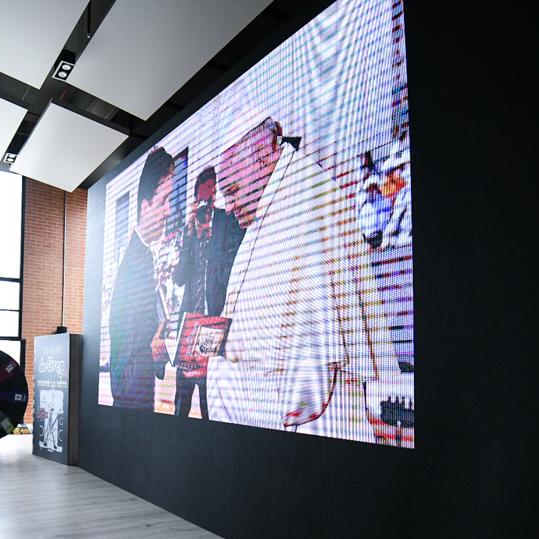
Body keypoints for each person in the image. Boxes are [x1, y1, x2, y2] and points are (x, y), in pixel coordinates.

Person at [206, 117, 400, 438]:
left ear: (262, 155)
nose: (226, 205)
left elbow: (308, 383)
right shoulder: (267, 210)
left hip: (319, 427)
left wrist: (221, 379)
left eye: (232, 190)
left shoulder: (304, 202)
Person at [171, 166, 243, 420]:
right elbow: (178, 278)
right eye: (202, 200)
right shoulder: (190, 231)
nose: (206, 206)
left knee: (207, 401)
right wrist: (189, 238)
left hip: (213, 325)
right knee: (181, 398)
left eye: (210, 199)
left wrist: (211, 239)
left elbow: (231, 272)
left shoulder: (229, 222)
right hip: (189, 326)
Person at [108, 146, 174, 410]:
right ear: (145, 207)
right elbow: (128, 341)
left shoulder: (139, 254)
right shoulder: (139, 260)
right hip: (132, 390)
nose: (169, 211)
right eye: (164, 201)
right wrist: (154, 350)